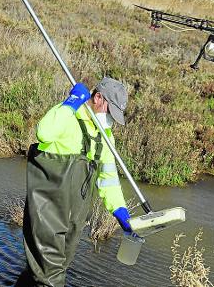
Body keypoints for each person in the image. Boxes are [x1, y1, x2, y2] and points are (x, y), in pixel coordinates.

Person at [16, 77, 133, 287]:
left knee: (49, 270)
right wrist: (70, 103)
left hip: (74, 217)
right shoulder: (68, 115)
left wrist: (119, 209)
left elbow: (108, 178)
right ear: (98, 98)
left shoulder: (104, 136)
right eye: (110, 112)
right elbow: (44, 132)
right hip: (47, 210)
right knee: (51, 276)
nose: (111, 120)